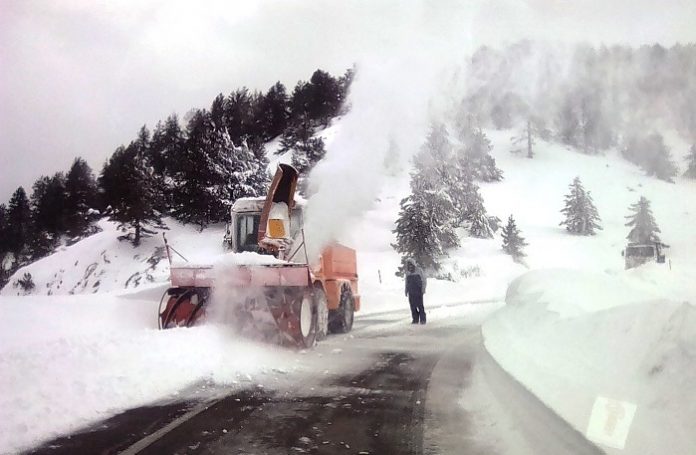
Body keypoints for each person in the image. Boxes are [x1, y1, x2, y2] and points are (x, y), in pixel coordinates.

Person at [404, 258, 426, 324]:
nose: (409, 266)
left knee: (420, 305)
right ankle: (415, 319)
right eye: (408, 264)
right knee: (412, 306)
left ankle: (423, 319)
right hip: (411, 292)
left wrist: (423, 289)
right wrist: (406, 290)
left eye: (410, 264)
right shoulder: (408, 272)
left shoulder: (419, 270)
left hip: (418, 291)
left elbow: (424, 280)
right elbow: (406, 282)